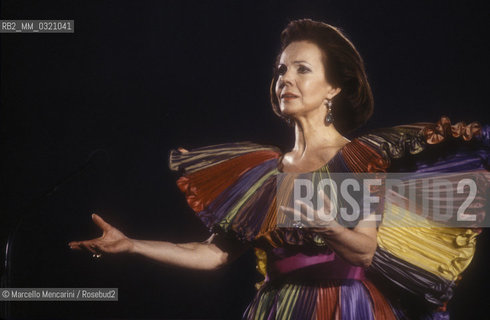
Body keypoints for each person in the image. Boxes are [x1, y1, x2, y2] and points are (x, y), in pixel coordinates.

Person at [69, 19, 489, 319]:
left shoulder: (359, 160)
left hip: (346, 306)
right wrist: (132, 245)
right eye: (281, 70)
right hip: (278, 307)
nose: (285, 78)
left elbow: (364, 250)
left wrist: (328, 226)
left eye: (302, 69)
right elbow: (213, 254)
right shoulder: (262, 174)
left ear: (334, 88)